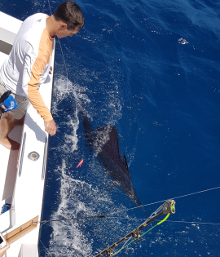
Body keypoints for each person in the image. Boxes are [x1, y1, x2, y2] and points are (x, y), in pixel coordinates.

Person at [0, 1, 84, 150]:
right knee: (13, 114)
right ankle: (2, 137)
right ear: (63, 26)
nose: (70, 36)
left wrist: (42, 68)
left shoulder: (39, 17)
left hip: (7, 70)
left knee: (17, 113)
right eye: (71, 33)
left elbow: (28, 50)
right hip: (14, 89)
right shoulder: (40, 51)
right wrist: (48, 118)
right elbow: (30, 88)